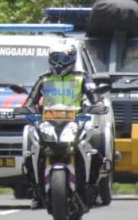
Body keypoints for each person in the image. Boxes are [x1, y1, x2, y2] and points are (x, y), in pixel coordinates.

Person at [22, 41, 102, 209]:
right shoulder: (44, 79)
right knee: (30, 155)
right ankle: (36, 191)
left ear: (71, 59)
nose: (59, 63)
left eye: (63, 58)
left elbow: (94, 96)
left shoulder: (82, 78)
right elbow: (30, 101)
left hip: (74, 123)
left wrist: (96, 105)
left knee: (95, 154)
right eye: (55, 58)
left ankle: (93, 188)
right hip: (49, 123)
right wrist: (26, 109)